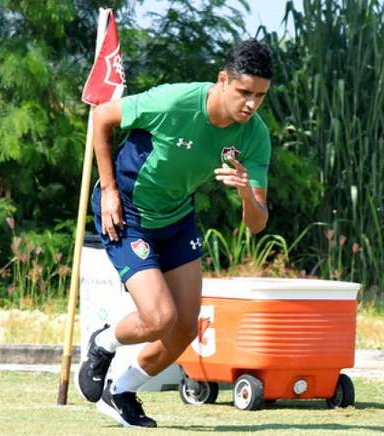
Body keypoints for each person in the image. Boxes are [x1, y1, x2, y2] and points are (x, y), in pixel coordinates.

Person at [77, 39, 273, 428]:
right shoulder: (173, 103)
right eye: (244, 92)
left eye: (261, 96)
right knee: (159, 318)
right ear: (222, 80)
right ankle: (103, 343)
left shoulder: (255, 136)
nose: (251, 104)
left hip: (176, 215)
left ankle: (121, 392)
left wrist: (246, 192)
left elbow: (257, 224)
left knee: (185, 326)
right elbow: (101, 117)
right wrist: (109, 189)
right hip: (127, 209)